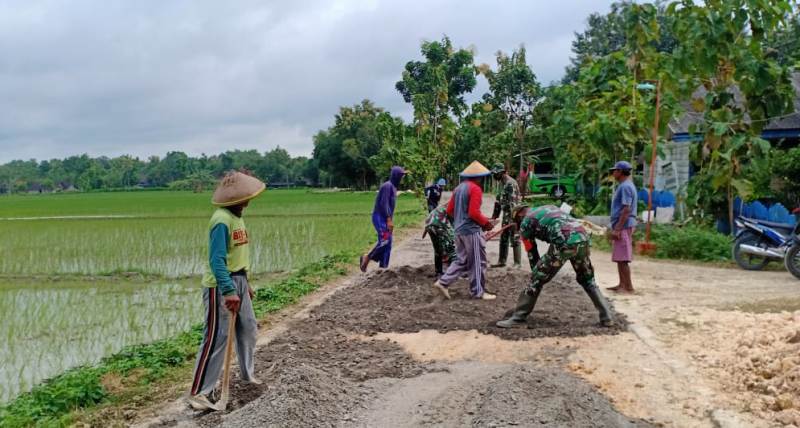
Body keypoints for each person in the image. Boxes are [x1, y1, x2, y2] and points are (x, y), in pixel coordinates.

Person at [188, 171, 265, 411]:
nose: (247, 203)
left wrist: (245, 284)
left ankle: (247, 376)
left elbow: (237, 255)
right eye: (243, 199)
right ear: (232, 200)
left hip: (239, 280)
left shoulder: (237, 217)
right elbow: (217, 260)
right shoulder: (221, 220)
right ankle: (200, 392)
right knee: (217, 338)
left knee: (249, 330)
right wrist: (229, 290)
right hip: (221, 285)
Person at [496, 205, 614, 328]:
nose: (519, 225)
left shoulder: (526, 222)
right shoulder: (548, 208)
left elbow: (532, 253)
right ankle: (607, 317)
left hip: (564, 241)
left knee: (536, 279)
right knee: (587, 278)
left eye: (517, 222)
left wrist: (538, 274)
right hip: (582, 238)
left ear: (520, 215)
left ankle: (518, 318)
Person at [432, 161, 498, 300]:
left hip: (459, 230)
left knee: (462, 260)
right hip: (471, 232)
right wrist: (486, 223)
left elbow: (450, 210)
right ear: (480, 177)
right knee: (478, 262)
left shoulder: (458, 188)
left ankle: (443, 282)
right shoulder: (475, 189)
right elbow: (474, 213)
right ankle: (478, 292)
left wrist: (462, 220)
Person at [361, 166, 406, 272]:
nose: (402, 178)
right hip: (379, 218)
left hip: (385, 218)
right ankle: (367, 257)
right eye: (401, 176)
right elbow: (383, 204)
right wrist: (389, 219)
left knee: (388, 243)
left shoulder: (393, 188)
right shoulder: (387, 186)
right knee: (385, 240)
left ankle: (383, 269)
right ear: (396, 176)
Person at [606, 161, 637, 294]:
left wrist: (618, 229)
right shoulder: (625, 185)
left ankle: (628, 286)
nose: (613, 173)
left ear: (620, 171)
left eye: (615, 170)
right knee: (619, 257)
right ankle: (622, 284)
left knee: (623, 258)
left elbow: (626, 209)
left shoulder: (625, 187)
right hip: (622, 225)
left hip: (623, 226)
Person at [490, 163, 522, 268]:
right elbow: (498, 201)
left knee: (515, 237)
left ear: (502, 173)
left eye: (496, 173)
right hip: (506, 215)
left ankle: (517, 263)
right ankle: (501, 261)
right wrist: (494, 216)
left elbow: (514, 203)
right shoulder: (501, 183)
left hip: (513, 215)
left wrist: (514, 220)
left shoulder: (510, 183)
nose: (495, 176)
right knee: (503, 238)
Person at [424, 205, 457, 277]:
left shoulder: (452, 202)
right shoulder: (458, 204)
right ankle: (452, 272)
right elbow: (454, 223)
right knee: (450, 247)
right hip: (438, 224)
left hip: (429, 223)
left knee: (438, 249)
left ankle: (438, 272)